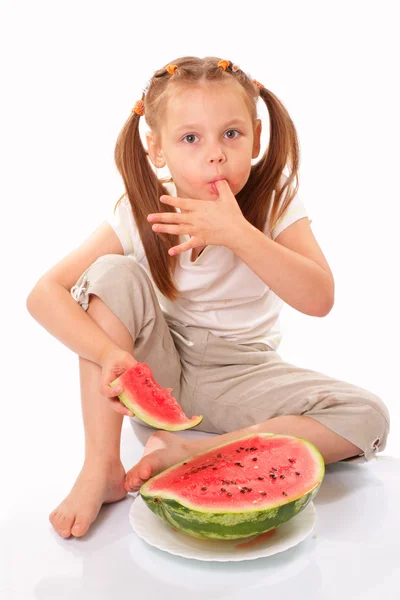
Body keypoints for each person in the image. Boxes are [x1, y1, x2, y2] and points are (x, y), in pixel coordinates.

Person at [26, 56, 390, 540]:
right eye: (191, 138)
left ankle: (190, 452)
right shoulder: (143, 211)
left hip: (245, 374)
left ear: (257, 138)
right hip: (160, 363)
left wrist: (238, 233)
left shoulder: (275, 199)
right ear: (156, 148)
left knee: (369, 415)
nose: (215, 154)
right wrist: (111, 355)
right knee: (109, 273)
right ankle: (101, 466)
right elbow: (43, 294)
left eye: (231, 134)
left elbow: (320, 298)